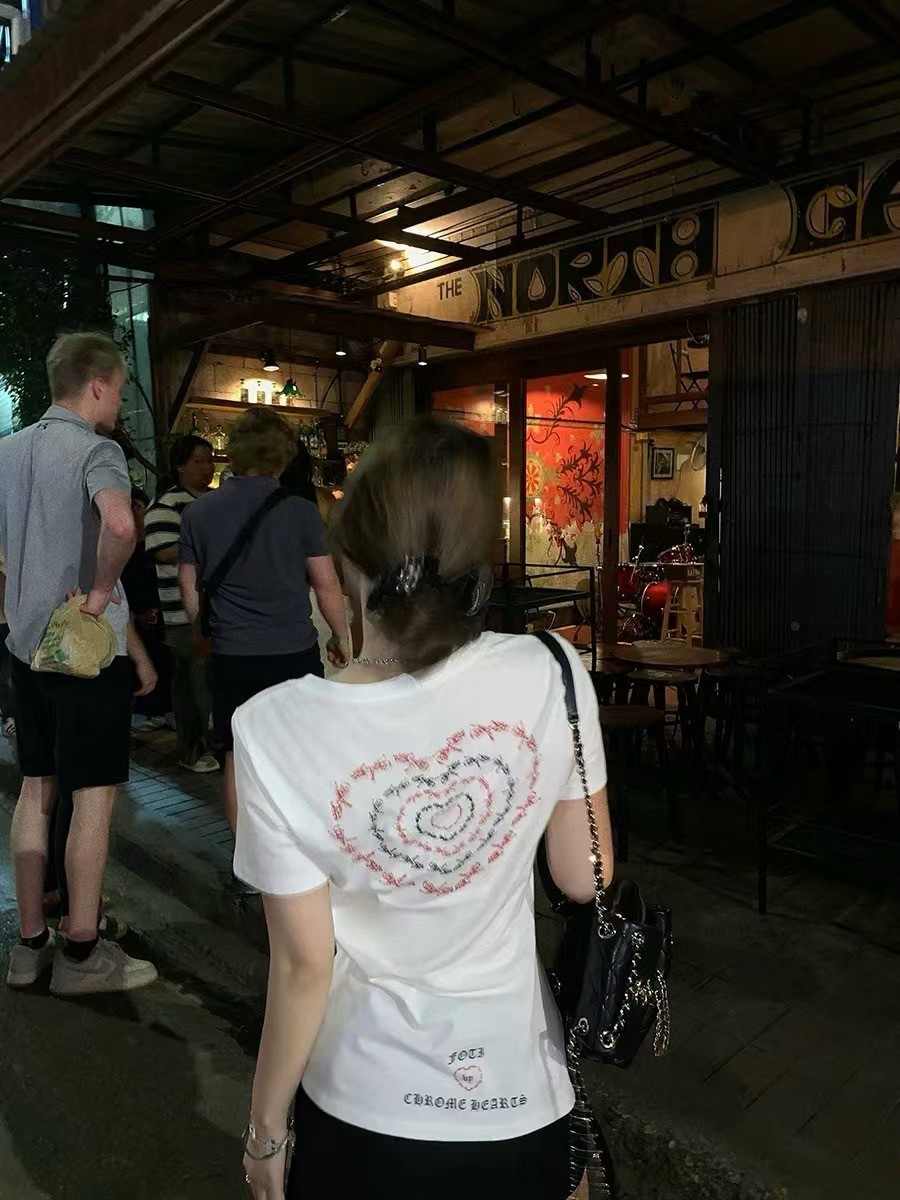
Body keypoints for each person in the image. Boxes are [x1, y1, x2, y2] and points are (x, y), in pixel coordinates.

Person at [232, 418, 614, 1200]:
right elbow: (585, 877)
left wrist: (267, 1130)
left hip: (361, 1106)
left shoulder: (271, 729)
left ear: (348, 554)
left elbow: (304, 967)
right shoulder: (552, 669)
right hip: (520, 1096)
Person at [0, 331, 158, 995]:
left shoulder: (7, 451)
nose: (118, 403)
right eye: (118, 390)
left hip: (24, 650)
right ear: (97, 384)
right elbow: (120, 525)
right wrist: (99, 594)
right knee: (92, 800)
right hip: (84, 658)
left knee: (36, 789)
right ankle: (83, 953)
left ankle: (29, 944)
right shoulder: (98, 450)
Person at [178, 408, 350, 837]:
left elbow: (189, 585)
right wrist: (341, 635)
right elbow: (326, 583)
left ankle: (246, 855)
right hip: (292, 651)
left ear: (234, 453)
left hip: (233, 653)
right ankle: (295, 842)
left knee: (236, 753)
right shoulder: (300, 511)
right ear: (283, 456)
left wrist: (203, 630)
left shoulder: (199, 512)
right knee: (299, 748)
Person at [145, 434, 218, 773]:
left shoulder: (218, 501)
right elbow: (163, 551)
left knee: (214, 681)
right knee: (192, 684)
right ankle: (192, 750)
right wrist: (210, 546)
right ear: (180, 467)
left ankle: (216, 742)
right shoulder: (166, 504)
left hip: (220, 608)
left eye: (210, 460)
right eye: (199, 460)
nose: (207, 467)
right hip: (181, 611)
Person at [122, 486, 172, 722]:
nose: (132, 514)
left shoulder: (157, 547)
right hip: (131, 624)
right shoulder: (119, 550)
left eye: (136, 507)